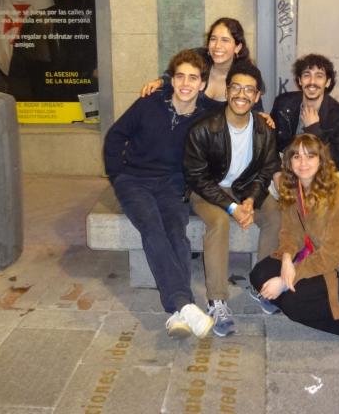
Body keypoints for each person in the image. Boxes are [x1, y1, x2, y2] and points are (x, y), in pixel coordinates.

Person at [104, 49, 216, 339]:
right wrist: (117, 175)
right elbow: (116, 136)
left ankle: (180, 314)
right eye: (180, 76)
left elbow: (239, 109)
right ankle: (184, 303)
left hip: (173, 183)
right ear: (172, 79)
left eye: (193, 78)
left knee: (176, 231)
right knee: (151, 226)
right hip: (134, 180)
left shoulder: (208, 114)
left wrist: (263, 116)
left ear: (202, 84)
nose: (186, 83)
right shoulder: (149, 103)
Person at [184, 60, 281, 336]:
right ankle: (217, 301)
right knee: (220, 222)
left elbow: (266, 171)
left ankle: (261, 285)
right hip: (208, 190)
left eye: (249, 90)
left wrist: (250, 200)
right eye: (236, 87)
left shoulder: (265, 129)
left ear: (258, 96)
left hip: (244, 188)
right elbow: (197, 178)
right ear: (226, 92)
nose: (242, 94)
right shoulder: (203, 129)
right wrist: (231, 207)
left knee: (275, 215)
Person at [250, 134, 339, 343]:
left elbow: (332, 256)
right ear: (289, 162)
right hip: (311, 254)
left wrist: (284, 281)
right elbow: (291, 232)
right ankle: (307, 301)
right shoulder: (294, 188)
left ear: (321, 160)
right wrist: (286, 260)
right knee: (259, 274)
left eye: (310, 156)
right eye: (297, 157)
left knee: (293, 303)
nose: (303, 163)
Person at [141, 17, 261, 105]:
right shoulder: (197, 58)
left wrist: (262, 118)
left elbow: (255, 107)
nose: (217, 46)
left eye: (225, 40)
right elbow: (175, 74)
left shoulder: (247, 73)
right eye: (213, 39)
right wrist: (159, 82)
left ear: (238, 47)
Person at [271, 53, 339, 171]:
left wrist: (314, 130)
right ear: (299, 80)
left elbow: (338, 162)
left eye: (319, 76)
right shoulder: (283, 104)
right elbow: (270, 146)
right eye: (306, 75)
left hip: (320, 170)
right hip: (286, 166)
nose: (312, 81)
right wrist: (277, 172)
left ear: (328, 82)